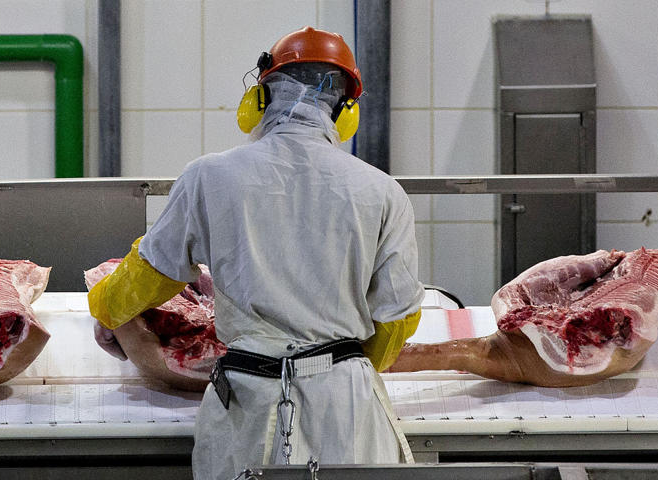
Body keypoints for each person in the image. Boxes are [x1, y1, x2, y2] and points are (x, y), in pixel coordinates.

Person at [88, 26, 424, 479]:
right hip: (348, 408)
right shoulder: (383, 191)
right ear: (347, 111)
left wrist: (106, 310)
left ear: (260, 98)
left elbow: (153, 274)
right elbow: (396, 320)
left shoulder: (210, 175)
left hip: (248, 402)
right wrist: (342, 371)